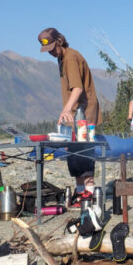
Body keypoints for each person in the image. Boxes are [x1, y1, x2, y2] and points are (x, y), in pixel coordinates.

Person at [38, 27, 103, 197]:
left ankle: (89, 195)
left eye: (52, 48)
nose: (50, 52)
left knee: (83, 153)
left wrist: (66, 108)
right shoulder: (62, 58)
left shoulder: (71, 58)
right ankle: (80, 192)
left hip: (82, 112)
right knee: (73, 154)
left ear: (59, 41)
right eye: (47, 50)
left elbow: (77, 88)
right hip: (74, 114)